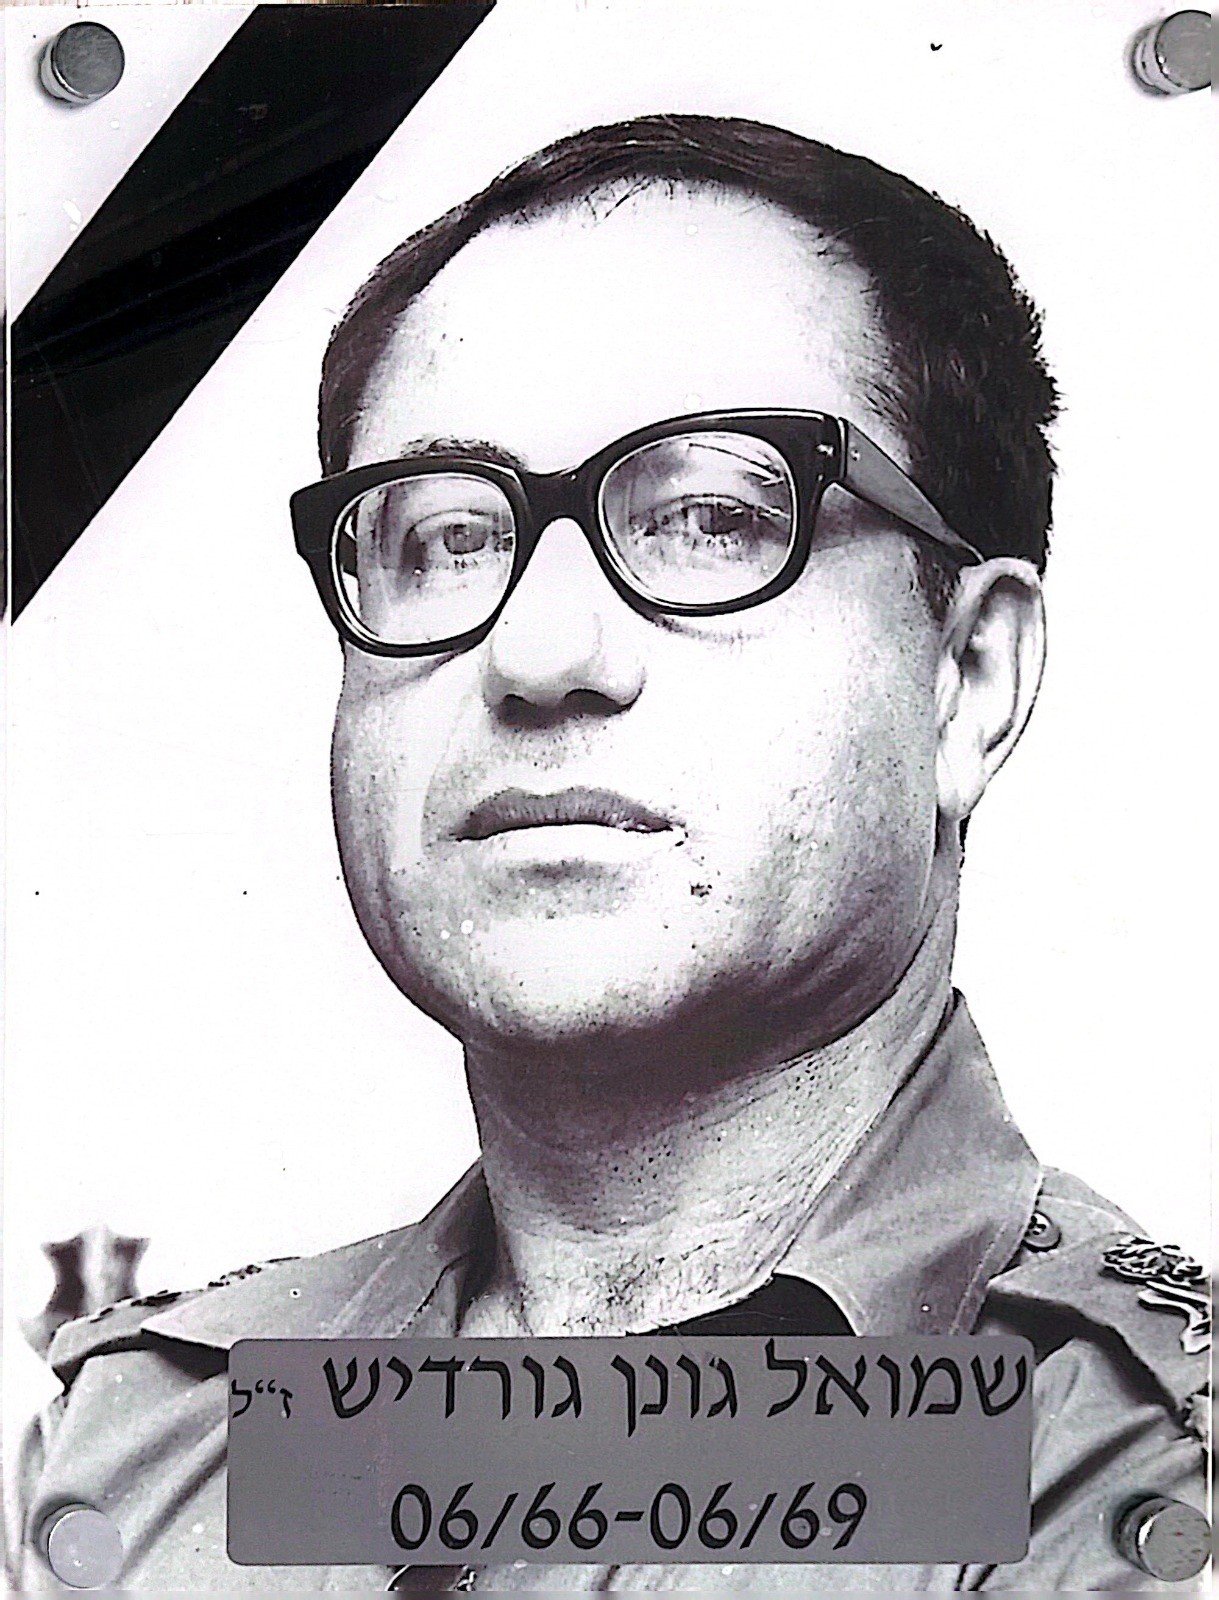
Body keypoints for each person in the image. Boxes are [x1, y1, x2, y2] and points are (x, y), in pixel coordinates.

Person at [10, 115, 1210, 1593]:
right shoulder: (134, 1463)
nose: (539, 649)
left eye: (710, 518)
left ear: (968, 678)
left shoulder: (1144, 1476)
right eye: (447, 538)